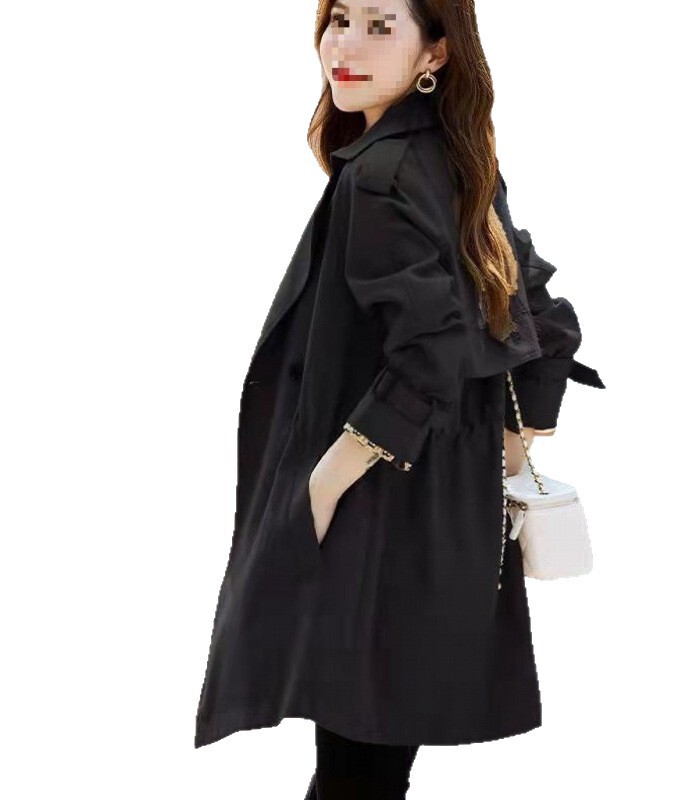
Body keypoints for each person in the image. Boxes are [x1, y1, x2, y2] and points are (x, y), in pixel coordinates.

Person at [194, 1, 605, 797]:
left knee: (357, 769)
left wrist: (324, 485)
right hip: (446, 517)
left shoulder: (380, 175)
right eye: (339, 19)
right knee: (371, 765)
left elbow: (433, 353)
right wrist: (511, 448)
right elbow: (541, 318)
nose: (344, 46)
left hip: (376, 515)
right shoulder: (455, 158)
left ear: (436, 53)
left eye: (381, 25)